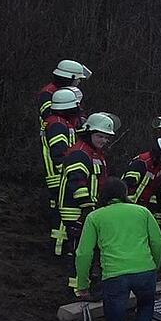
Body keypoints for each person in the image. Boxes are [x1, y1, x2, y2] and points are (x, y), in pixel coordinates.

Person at [74, 178, 161, 321]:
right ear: (124, 194)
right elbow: (159, 242)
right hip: (145, 271)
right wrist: (154, 265)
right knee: (145, 307)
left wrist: (83, 285)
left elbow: (83, 253)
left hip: (114, 277)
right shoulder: (142, 212)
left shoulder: (95, 217)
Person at [57, 112, 116, 264]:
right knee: (79, 252)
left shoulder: (94, 153)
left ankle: (85, 282)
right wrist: (87, 206)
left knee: (87, 252)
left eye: (106, 137)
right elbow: (77, 181)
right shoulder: (80, 153)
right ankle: (76, 286)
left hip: (88, 210)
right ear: (89, 133)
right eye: (100, 136)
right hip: (76, 211)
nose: (104, 140)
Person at [41, 89, 84, 254]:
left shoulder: (60, 122)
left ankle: (59, 248)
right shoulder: (58, 125)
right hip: (59, 176)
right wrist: (68, 174)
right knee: (61, 212)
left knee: (59, 210)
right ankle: (59, 250)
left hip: (60, 175)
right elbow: (58, 154)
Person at [37, 60, 91, 124]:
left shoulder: (69, 92)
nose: (79, 81)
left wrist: (81, 119)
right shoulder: (47, 93)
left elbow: (78, 111)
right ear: (69, 78)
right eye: (78, 79)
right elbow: (48, 114)